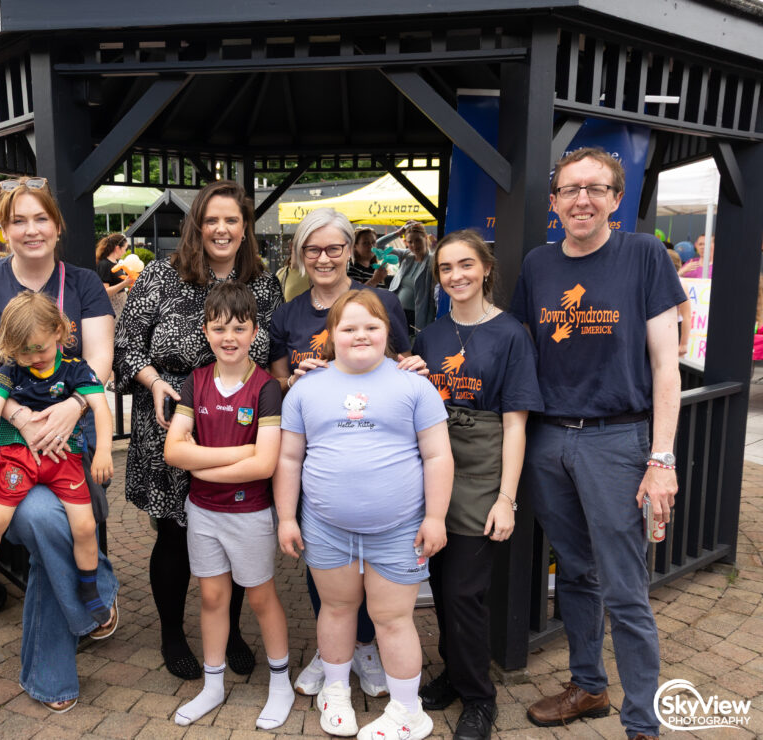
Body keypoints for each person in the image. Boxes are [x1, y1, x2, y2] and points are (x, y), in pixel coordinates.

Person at [510, 147, 685, 740]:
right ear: (554, 201)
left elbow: (667, 366)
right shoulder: (537, 264)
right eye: (569, 189)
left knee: (624, 585)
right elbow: (519, 348)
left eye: (595, 188)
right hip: (549, 440)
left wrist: (661, 458)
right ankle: (588, 686)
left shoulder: (642, 255)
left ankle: (642, 723)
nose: (581, 199)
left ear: (616, 198)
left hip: (619, 441)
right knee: (578, 574)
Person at [0, 176, 119, 714]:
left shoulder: (85, 283)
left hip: (74, 434)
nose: (31, 229)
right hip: (9, 436)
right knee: (49, 525)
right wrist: (23, 417)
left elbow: (99, 356)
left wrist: (71, 407)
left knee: (66, 529)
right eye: (18, 220)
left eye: (40, 218)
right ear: (4, 229)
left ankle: (52, 666)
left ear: (56, 224)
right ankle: (94, 599)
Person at [113, 179, 282, 680]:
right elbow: (127, 346)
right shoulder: (160, 278)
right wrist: (154, 383)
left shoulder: (264, 284)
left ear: (245, 227)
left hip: (239, 426)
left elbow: (274, 357)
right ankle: (172, 632)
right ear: (197, 226)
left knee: (231, 528)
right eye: (211, 220)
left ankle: (228, 632)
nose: (222, 229)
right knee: (173, 534)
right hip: (171, 420)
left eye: (232, 219)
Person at [276, 290, 453, 739]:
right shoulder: (306, 388)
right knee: (336, 610)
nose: (360, 335)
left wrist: (435, 517)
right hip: (327, 528)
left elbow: (437, 456)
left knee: (393, 620)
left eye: (372, 327)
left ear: (388, 332)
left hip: (400, 532)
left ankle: (408, 711)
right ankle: (335, 692)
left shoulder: (415, 385)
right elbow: (289, 459)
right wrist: (286, 518)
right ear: (330, 335)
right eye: (349, 327)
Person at [268, 207, 419, 699]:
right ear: (300, 255)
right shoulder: (288, 313)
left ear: (351, 250)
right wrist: (292, 381)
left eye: (334, 248)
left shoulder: (381, 301)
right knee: (325, 559)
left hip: (374, 448)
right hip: (317, 454)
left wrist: (413, 365)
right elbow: (274, 381)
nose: (324, 258)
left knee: (377, 568)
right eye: (313, 249)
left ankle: (367, 645)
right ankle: (334, 648)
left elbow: (399, 358)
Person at [413, 230, 543, 740]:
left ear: (485, 268)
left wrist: (506, 498)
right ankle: (454, 671)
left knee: (466, 591)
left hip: (484, 466)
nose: (456, 276)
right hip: (436, 463)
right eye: (445, 268)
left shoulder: (511, 334)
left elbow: (516, 423)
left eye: (465, 265)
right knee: (443, 586)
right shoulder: (431, 334)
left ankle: (479, 698)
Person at [162, 281, 293, 730]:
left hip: (249, 514)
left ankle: (281, 681)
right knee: (213, 596)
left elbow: (266, 464)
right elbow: (173, 453)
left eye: (239, 327)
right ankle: (213, 684)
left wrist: (202, 466)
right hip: (203, 513)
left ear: (255, 330)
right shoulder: (193, 381)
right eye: (219, 328)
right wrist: (238, 455)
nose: (229, 337)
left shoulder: (267, 389)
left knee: (259, 597)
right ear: (205, 331)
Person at [0, 291, 114, 627]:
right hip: (19, 456)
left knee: (85, 527)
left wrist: (102, 452)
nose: (34, 357)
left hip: (64, 458)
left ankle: (89, 588)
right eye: (23, 352)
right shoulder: (11, 372)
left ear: (59, 331)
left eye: (40, 347)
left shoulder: (75, 369)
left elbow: (100, 406)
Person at [388, 222, 438, 332]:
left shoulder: (433, 261)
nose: (414, 245)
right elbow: (376, 247)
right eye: (410, 242)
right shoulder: (406, 255)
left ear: (425, 238)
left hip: (417, 317)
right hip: (397, 312)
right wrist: (398, 233)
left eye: (418, 240)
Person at [95, 232, 135, 316]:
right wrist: (125, 283)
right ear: (117, 248)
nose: (125, 252)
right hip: (114, 309)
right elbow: (105, 291)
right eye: (125, 248)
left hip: (120, 307)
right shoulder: (104, 264)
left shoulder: (116, 264)